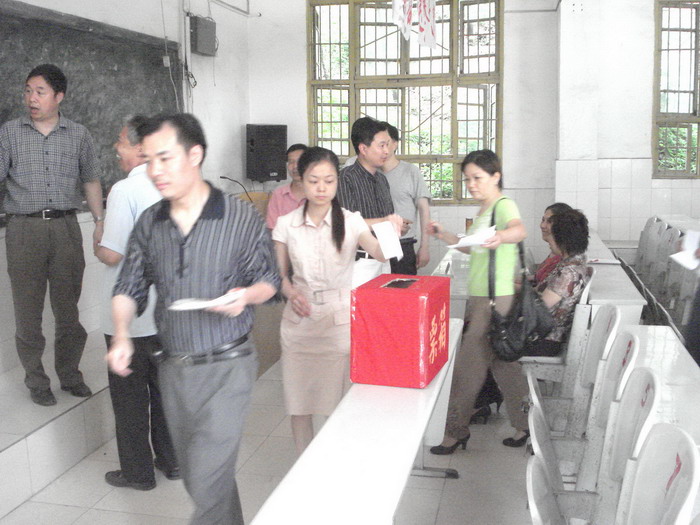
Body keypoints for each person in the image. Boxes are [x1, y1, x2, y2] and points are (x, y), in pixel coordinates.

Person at [107, 113, 280, 525]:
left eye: (165, 158)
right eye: (148, 159)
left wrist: (245, 296)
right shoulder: (151, 223)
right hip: (174, 367)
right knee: (205, 476)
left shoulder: (238, 218)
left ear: (195, 154)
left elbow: (269, 280)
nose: (155, 171)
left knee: (206, 474)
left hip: (228, 365)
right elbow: (128, 285)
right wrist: (122, 334)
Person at [272, 147, 400, 454]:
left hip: (338, 324)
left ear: (336, 182)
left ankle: (335, 461)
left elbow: (381, 254)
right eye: (313, 180)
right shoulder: (286, 223)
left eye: (329, 181)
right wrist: (291, 293)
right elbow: (278, 275)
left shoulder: (351, 221)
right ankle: (304, 465)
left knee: (338, 405)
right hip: (299, 324)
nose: (321, 188)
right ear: (301, 180)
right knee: (299, 405)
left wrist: (391, 230)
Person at [0, 64, 104, 406]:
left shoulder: (79, 134)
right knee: (27, 314)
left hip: (65, 229)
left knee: (68, 312)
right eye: (28, 90)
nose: (31, 98)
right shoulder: (9, 133)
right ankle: (36, 381)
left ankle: (70, 375)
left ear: (59, 96)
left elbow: (91, 179)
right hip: (23, 229)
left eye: (40, 92)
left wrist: (99, 221)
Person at [428, 149, 529, 454]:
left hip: (494, 300)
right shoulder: (486, 209)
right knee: (504, 366)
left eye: (477, 178)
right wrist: (444, 235)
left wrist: (502, 237)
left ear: (495, 176)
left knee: (468, 367)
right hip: (485, 298)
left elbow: (519, 230)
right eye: (467, 179)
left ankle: (454, 431)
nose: (471, 184)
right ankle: (527, 425)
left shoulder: (503, 205)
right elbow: (472, 248)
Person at [95, 116, 178, 491]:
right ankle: (173, 462)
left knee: (129, 399)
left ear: (140, 147)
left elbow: (112, 254)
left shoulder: (125, 190)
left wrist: (98, 239)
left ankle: (138, 473)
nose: (116, 148)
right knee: (165, 393)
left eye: (121, 141)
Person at [337, 117, 408, 287]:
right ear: (363, 148)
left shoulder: (382, 179)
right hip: (359, 263)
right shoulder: (346, 177)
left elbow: (386, 220)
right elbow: (348, 224)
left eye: (388, 145)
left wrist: (397, 226)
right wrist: (385, 221)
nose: (387, 151)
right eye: (381, 145)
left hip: (384, 259)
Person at [532, 209, 590, 357]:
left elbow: (538, 309)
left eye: (551, 237)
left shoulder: (568, 273)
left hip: (544, 340)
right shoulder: (572, 261)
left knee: (492, 343)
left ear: (562, 240)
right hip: (543, 335)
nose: (548, 241)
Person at [381, 123, 431, 275]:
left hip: (404, 244)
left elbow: (424, 210)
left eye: (386, 143)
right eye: (378, 143)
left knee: (404, 288)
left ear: (395, 144)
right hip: (376, 244)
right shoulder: (370, 173)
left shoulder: (410, 171)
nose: (383, 148)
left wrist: (424, 246)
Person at [265, 143, 308, 229]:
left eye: (300, 161)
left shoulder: (318, 193)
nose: (295, 166)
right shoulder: (278, 194)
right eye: (291, 162)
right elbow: (272, 228)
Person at [534, 202, 573, 284]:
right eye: (543, 220)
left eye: (549, 221)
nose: (542, 225)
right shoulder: (555, 252)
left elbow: (543, 287)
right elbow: (539, 278)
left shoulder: (563, 257)